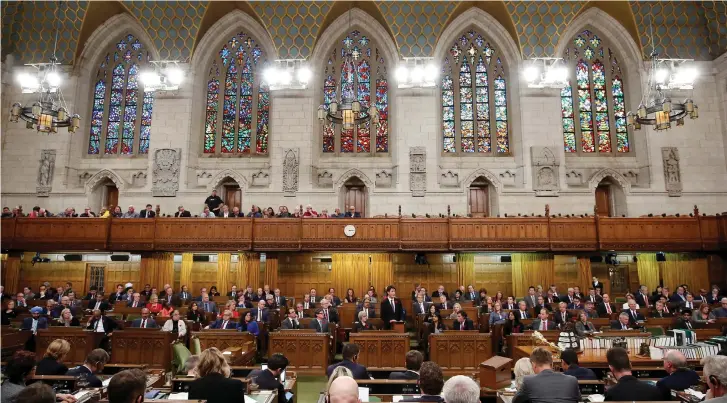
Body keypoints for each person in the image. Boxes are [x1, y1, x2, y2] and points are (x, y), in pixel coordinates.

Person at [512, 347, 580, 403]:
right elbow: (578, 400)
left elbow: (515, 401)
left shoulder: (528, 381)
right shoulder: (572, 380)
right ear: (552, 364)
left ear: (533, 365)